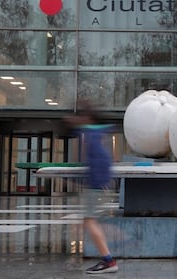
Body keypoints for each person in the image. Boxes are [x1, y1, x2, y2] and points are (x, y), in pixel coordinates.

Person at [64, 101, 118, 274]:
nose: (73, 119)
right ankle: (108, 259)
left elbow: (98, 160)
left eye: (77, 116)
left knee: (89, 221)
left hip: (96, 185)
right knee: (90, 221)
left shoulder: (90, 134)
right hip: (98, 184)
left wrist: (93, 184)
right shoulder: (96, 132)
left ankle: (108, 261)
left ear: (85, 117)